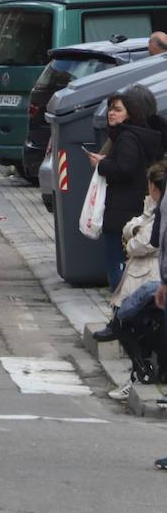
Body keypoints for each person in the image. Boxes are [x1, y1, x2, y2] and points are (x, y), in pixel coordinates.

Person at [91, 161, 163, 400]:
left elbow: (151, 241)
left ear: (153, 186)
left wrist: (131, 243)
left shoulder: (162, 207)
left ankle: (141, 372)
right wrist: (133, 233)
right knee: (131, 320)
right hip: (146, 274)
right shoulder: (153, 204)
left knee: (131, 321)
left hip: (150, 275)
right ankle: (139, 372)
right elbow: (135, 225)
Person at [88, 86, 166, 290]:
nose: (111, 113)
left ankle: (121, 315)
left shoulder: (127, 137)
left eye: (118, 109)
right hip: (135, 207)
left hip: (121, 210)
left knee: (118, 270)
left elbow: (125, 169)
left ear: (132, 111)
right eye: (110, 109)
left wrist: (102, 164)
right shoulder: (147, 134)